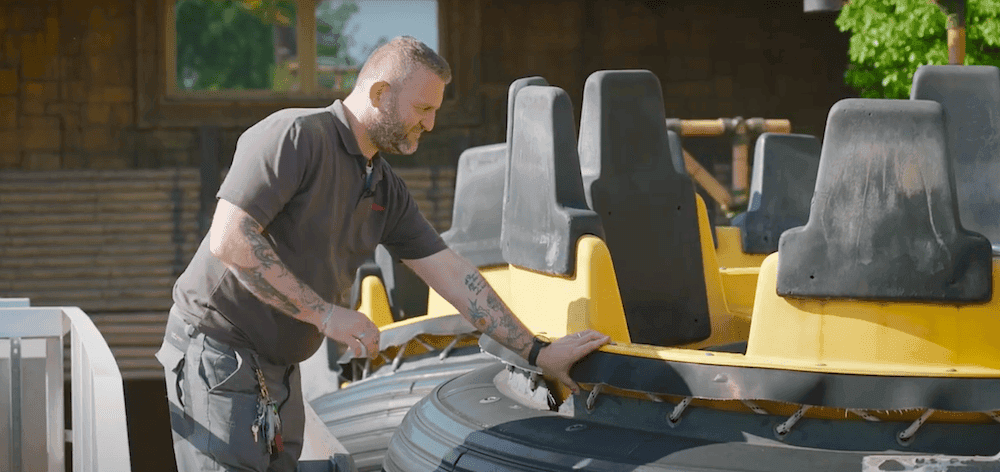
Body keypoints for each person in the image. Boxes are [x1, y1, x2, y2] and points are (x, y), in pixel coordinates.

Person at [155, 36, 610, 471]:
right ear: (378, 93)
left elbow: (451, 273)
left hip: (279, 368)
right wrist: (327, 315)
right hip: (218, 353)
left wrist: (537, 352)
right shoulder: (293, 136)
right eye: (422, 108)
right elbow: (230, 238)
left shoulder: (381, 185)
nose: (430, 124)